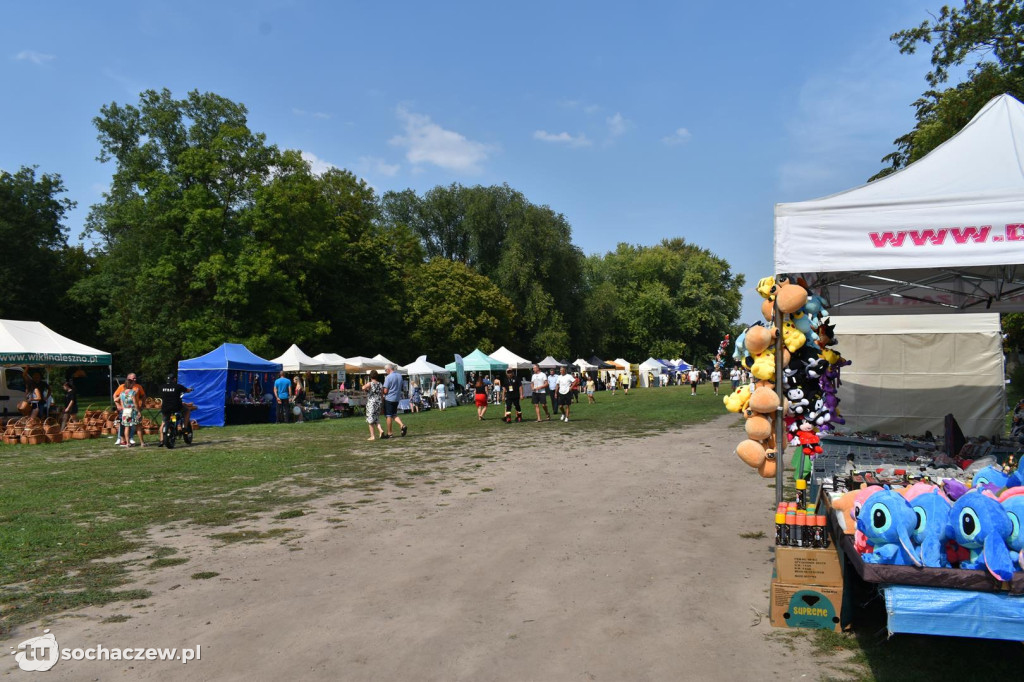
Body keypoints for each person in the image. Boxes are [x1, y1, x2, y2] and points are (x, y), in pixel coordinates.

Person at [157, 374, 193, 446]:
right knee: (187, 410)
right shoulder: (178, 386)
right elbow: (187, 390)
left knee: (164, 422)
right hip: (176, 407)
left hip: (165, 408)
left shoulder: (162, 387)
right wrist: (191, 389)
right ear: (174, 379)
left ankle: (161, 440)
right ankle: (185, 428)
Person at [113, 373, 148, 446]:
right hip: (133, 411)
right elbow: (135, 403)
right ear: (131, 384)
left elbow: (116, 399)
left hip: (125, 411)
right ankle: (142, 443)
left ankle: (128, 443)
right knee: (138, 426)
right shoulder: (133, 393)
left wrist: (120, 405)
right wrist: (138, 411)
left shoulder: (122, 393)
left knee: (127, 427)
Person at [382, 363, 407, 438]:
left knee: (388, 415)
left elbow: (385, 391)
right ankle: (402, 425)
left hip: (389, 398)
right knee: (394, 414)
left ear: (388, 369)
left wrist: (382, 391)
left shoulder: (388, 377)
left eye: (385, 370)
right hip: (396, 398)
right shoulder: (399, 376)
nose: (385, 372)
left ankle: (389, 433)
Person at [364, 370, 384, 440]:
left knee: (370, 419)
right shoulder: (380, 384)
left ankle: (372, 436)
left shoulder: (370, 383)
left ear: (370, 376)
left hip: (371, 403)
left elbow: (363, 387)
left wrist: (366, 388)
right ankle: (380, 430)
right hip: (378, 403)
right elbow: (382, 394)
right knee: (376, 418)